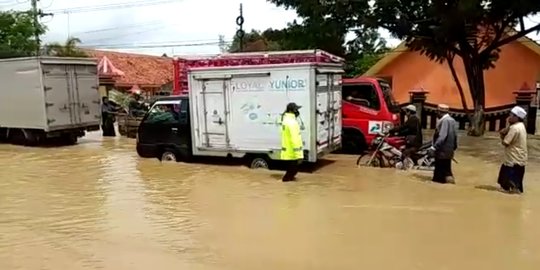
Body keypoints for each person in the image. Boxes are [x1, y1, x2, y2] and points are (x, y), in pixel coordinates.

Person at [497, 106, 528, 194]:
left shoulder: (514, 128)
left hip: (512, 160)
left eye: (511, 115)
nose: (509, 117)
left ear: (516, 117)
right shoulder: (521, 126)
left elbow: (506, 143)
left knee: (507, 185)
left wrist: (502, 135)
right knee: (517, 185)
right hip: (520, 158)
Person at [429, 104, 458, 184]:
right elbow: (455, 136)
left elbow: (442, 136)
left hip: (441, 151)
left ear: (440, 112)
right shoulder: (452, 120)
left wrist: (434, 148)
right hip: (449, 151)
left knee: (438, 176)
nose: (436, 114)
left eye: (437, 112)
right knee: (447, 171)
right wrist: (453, 148)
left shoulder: (444, 121)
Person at [280, 102, 304, 182]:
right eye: (296, 109)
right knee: (291, 173)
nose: (297, 111)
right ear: (291, 111)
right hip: (293, 153)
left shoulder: (286, 119)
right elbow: (295, 139)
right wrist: (299, 155)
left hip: (288, 152)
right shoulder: (292, 123)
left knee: (291, 174)